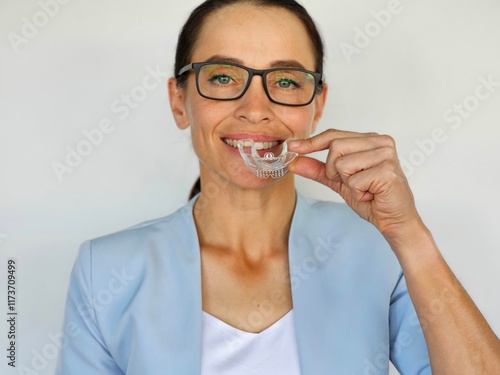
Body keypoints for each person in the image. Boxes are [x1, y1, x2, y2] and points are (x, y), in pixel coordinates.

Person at [56, 0, 500, 374]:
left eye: (285, 81)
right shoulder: (105, 270)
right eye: (224, 76)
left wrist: (410, 236)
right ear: (179, 100)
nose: (256, 108)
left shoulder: (378, 250)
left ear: (317, 104)